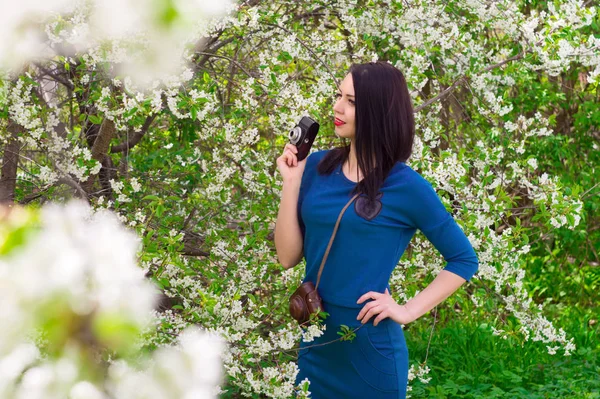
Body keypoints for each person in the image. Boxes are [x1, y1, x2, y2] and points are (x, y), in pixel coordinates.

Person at [274, 61, 479, 399]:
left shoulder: (406, 187)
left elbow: (463, 259)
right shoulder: (315, 167)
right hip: (316, 345)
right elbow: (287, 256)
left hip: (371, 355)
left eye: (352, 101)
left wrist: (408, 310)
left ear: (378, 110)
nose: (338, 107)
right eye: (339, 96)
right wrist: (291, 183)